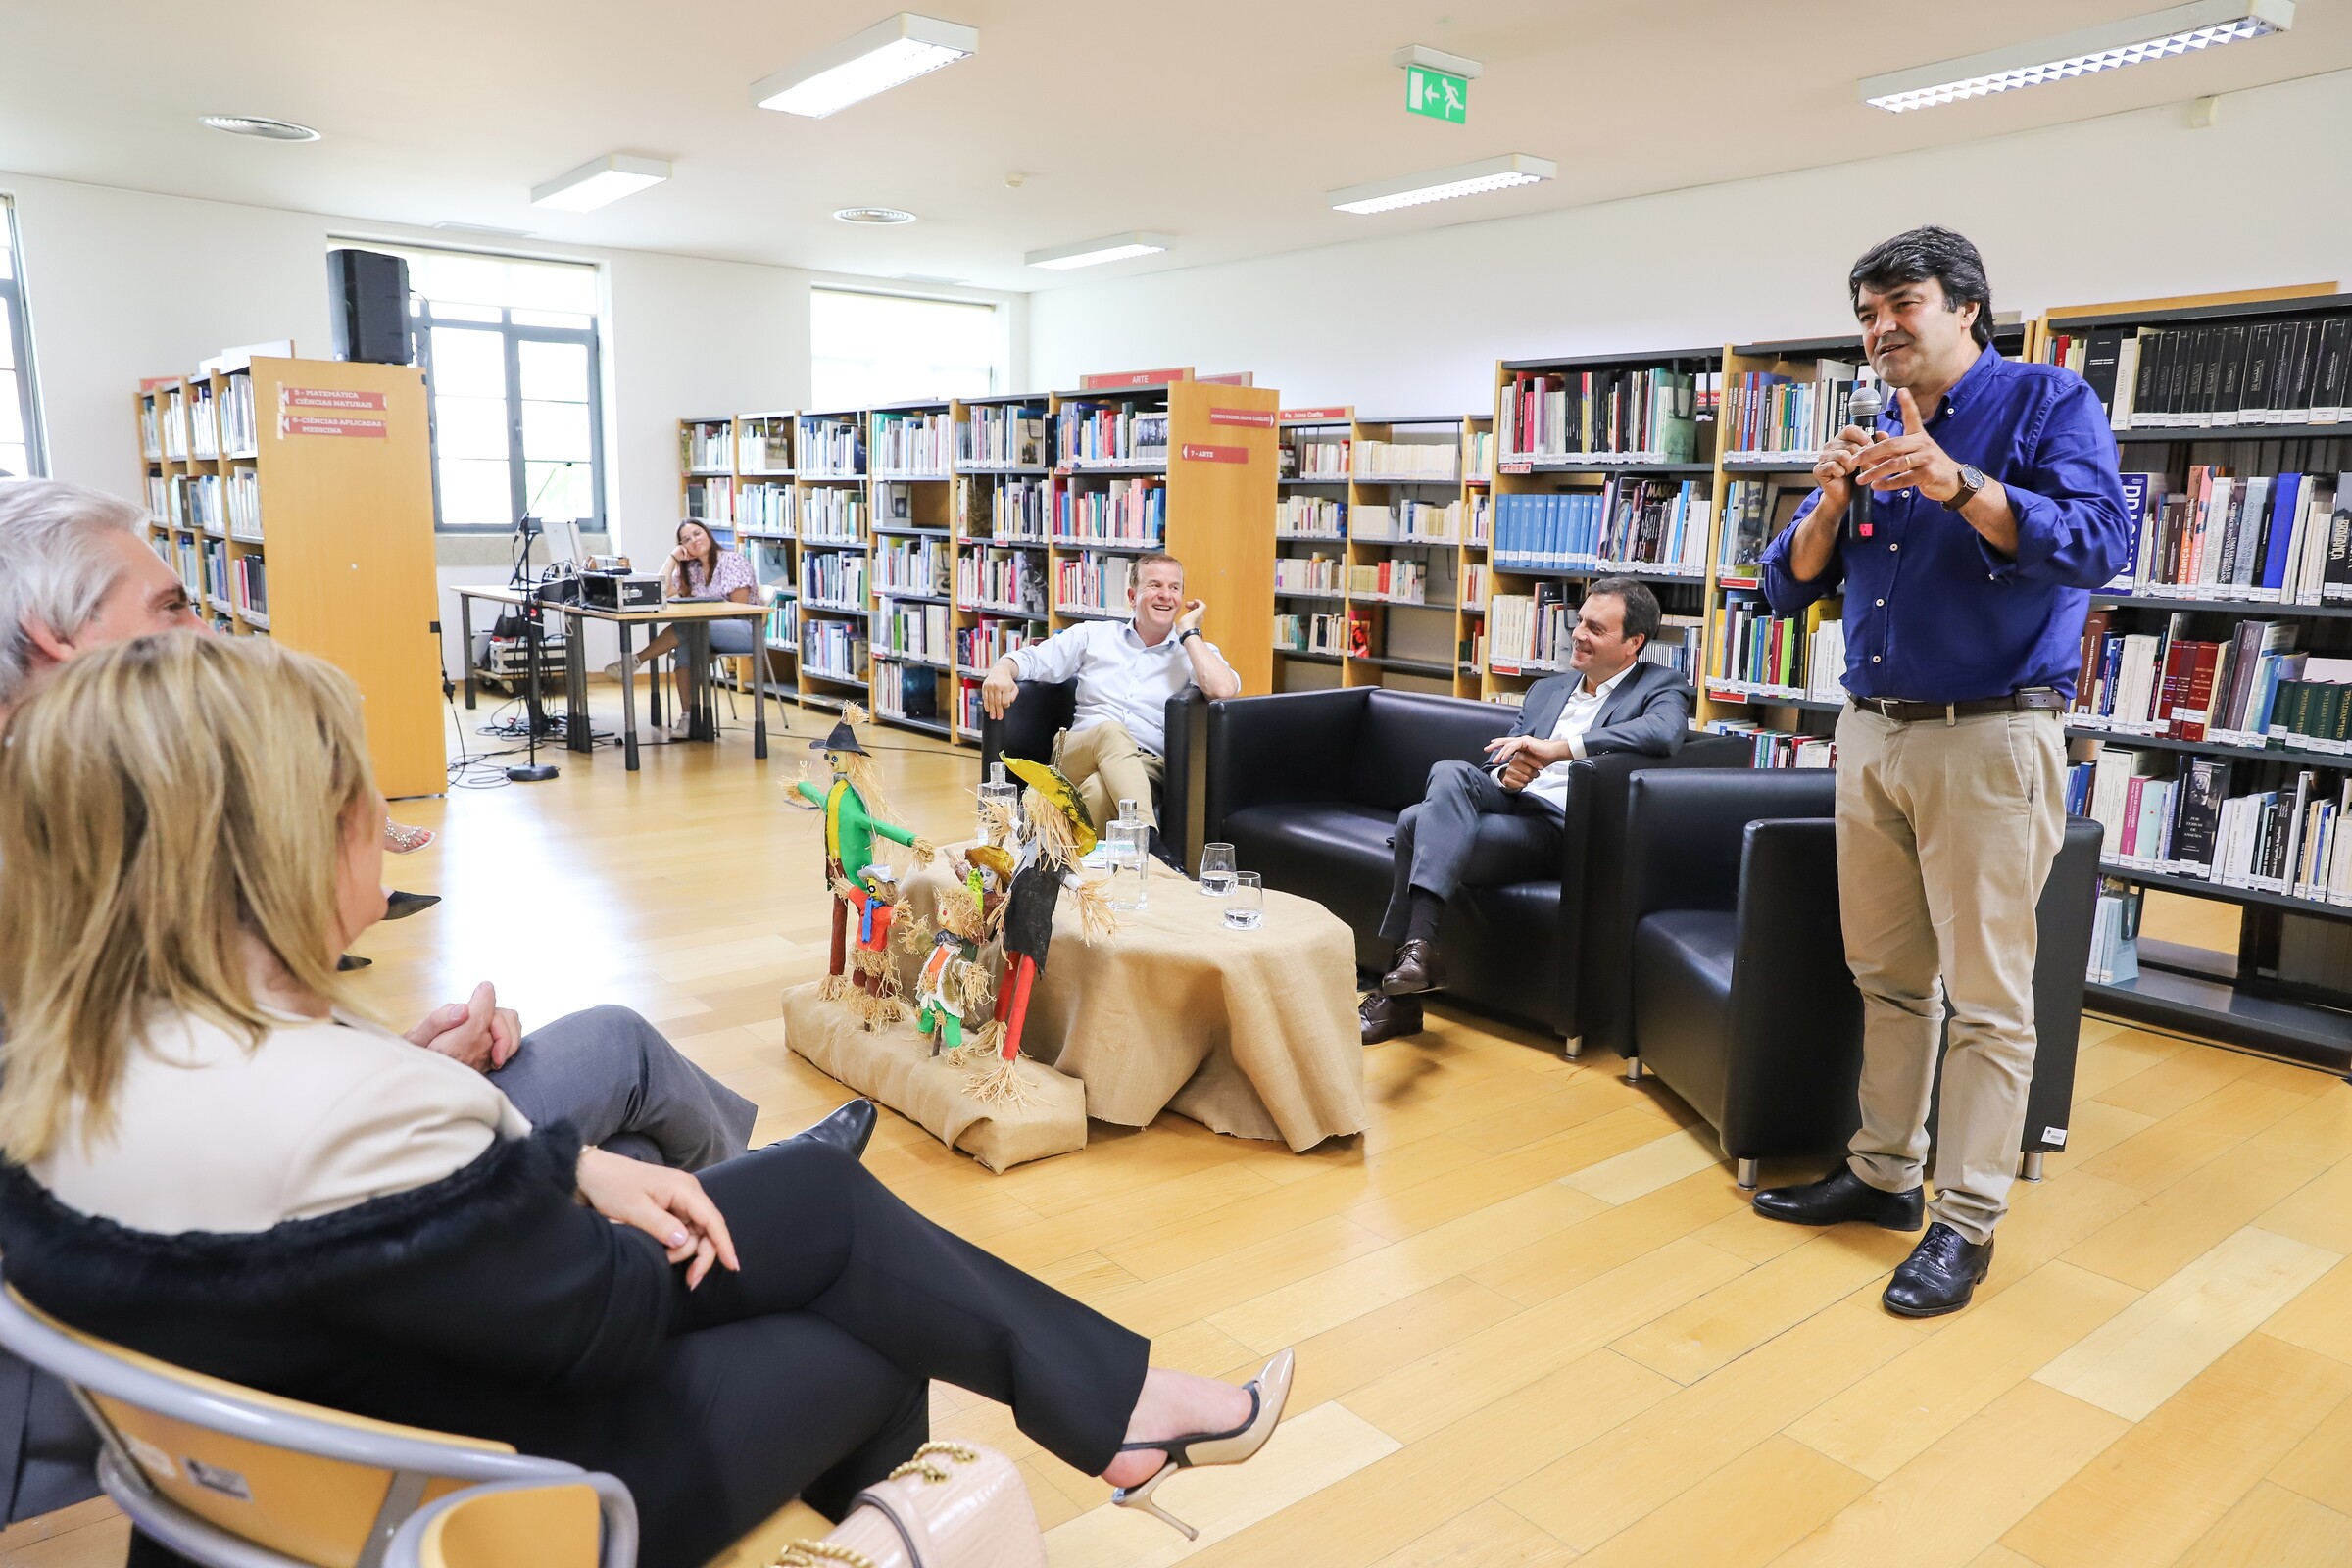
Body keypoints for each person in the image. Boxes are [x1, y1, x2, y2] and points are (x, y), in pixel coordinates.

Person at [0, 634, 1294, 1568]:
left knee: (836, 1218)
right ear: (278, 840)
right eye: (360, 796)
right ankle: (1035, 1457)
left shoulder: (61, 1080)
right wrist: (533, 1159)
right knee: (878, 1306)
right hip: (487, 1507)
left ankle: (1096, 1414)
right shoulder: (353, 1109)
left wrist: (538, 1158)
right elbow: (609, 1323)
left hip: (270, 1481)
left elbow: (374, 1217)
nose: (392, 830)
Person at [0, 479, 848, 1524]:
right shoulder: (81, 830)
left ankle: (753, 1213)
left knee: (628, 1100)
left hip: (244, 1233)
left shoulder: (98, 798)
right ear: (56, 636)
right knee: (663, 1147)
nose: (206, 626)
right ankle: (772, 1226)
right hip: (241, 1281)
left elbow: (210, 1043)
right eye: (173, 606)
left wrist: (388, 1064)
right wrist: (383, 1089)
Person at [1749, 226, 2131, 1317]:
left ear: (1966, 306)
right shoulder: (1875, 431)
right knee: (1887, 973)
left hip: (1990, 734)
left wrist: (1959, 482)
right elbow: (1784, 590)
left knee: (1991, 999)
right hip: (1869, 732)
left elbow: (2099, 544)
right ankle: (1881, 1174)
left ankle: (1965, 1218)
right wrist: (1827, 501)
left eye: (1900, 304)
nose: (1880, 330)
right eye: (1866, 313)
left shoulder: (2049, 404)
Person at [1360, 578, 1691, 1045]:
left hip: (1558, 827)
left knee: (1416, 822)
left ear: (1633, 642)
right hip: (1513, 801)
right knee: (1449, 771)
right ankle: (1418, 954)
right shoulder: (1547, 689)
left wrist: (1561, 749)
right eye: (1579, 622)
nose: (1578, 634)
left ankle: (1402, 995)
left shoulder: (1660, 685)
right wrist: (1505, 775)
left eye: (1595, 629)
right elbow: (1501, 755)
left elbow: (1663, 733)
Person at [980, 553, 1240, 859]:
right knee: (1111, 731)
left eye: (1174, 588)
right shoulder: (1094, 635)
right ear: (1132, 595)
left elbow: (1223, 689)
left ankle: (1050, 866)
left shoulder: (1193, 652)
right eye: (1154, 585)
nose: (1165, 595)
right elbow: (1033, 660)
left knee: (1100, 793)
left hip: (1143, 765)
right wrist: (1001, 668)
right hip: (1077, 754)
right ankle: (1152, 846)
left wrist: (1190, 633)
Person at [604, 519, 760, 738]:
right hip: (702, 632)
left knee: (691, 626)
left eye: (697, 534)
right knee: (686, 645)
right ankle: (689, 718)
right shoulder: (691, 569)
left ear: (707, 533)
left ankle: (637, 659)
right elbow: (659, 591)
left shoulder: (731, 561)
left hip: (744, 630)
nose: (694, 541)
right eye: (686, 539)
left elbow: (740, 608)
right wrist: (673, 558)